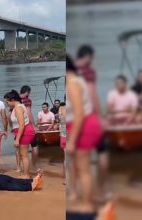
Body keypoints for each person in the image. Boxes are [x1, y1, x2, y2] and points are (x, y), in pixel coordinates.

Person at [66, 55, 102, 214]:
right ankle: (85, 199)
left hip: (84, 127)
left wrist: (72, 141)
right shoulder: (76, 80)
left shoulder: (72, 83)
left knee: (84, 168)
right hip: (82, 125)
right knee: (80, 167)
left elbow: (79, 113)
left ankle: (88, 205)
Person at [4, 90, 36, 179]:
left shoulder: (18, 107)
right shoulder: (19, 106)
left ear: (13, 100)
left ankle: (26, 175)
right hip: (24, 132)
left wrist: (17, 139)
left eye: (7, 102)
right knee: (23, 154)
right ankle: (26, 173)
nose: (7, 104)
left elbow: (22, 124)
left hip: (25, 132)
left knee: (24, 155)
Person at [20, 85, 39, 171]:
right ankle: (33, 165)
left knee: (20, 148)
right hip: (28, 126)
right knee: (34, 146)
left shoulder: (16, 100)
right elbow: (28, 113)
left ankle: (19, 167)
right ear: (27, 92)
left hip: (19, 126)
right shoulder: (27, 100)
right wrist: (34, 126)